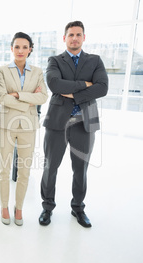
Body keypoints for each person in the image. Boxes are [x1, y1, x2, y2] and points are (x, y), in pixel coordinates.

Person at [39, 21, 108, 228]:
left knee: (81, 169)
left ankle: (78, 207)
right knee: (50, 167)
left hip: (84, 123)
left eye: (78, 34)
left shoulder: (95, 60)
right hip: (57, 122)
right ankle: (47, 207)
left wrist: (72, 93)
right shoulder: (55, 60)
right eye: (71, 35)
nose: (74, 38)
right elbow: (54, 84)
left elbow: (102, 88)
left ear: (84, 37)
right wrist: (85, 86)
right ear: (64, 38)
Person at [0, 32, 48, 226]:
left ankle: (19, 208)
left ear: (30, 49)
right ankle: (3, 206)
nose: (20, 50)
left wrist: (17, 94)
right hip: (6, 125)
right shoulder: (2, 70)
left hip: (29, 126)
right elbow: (2, 98)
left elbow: (43, 97)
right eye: (17, 47)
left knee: (25, 170)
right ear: (11, 49)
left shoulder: (37, 72)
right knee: (4, 169)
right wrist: (28, 100)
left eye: (24, 47)